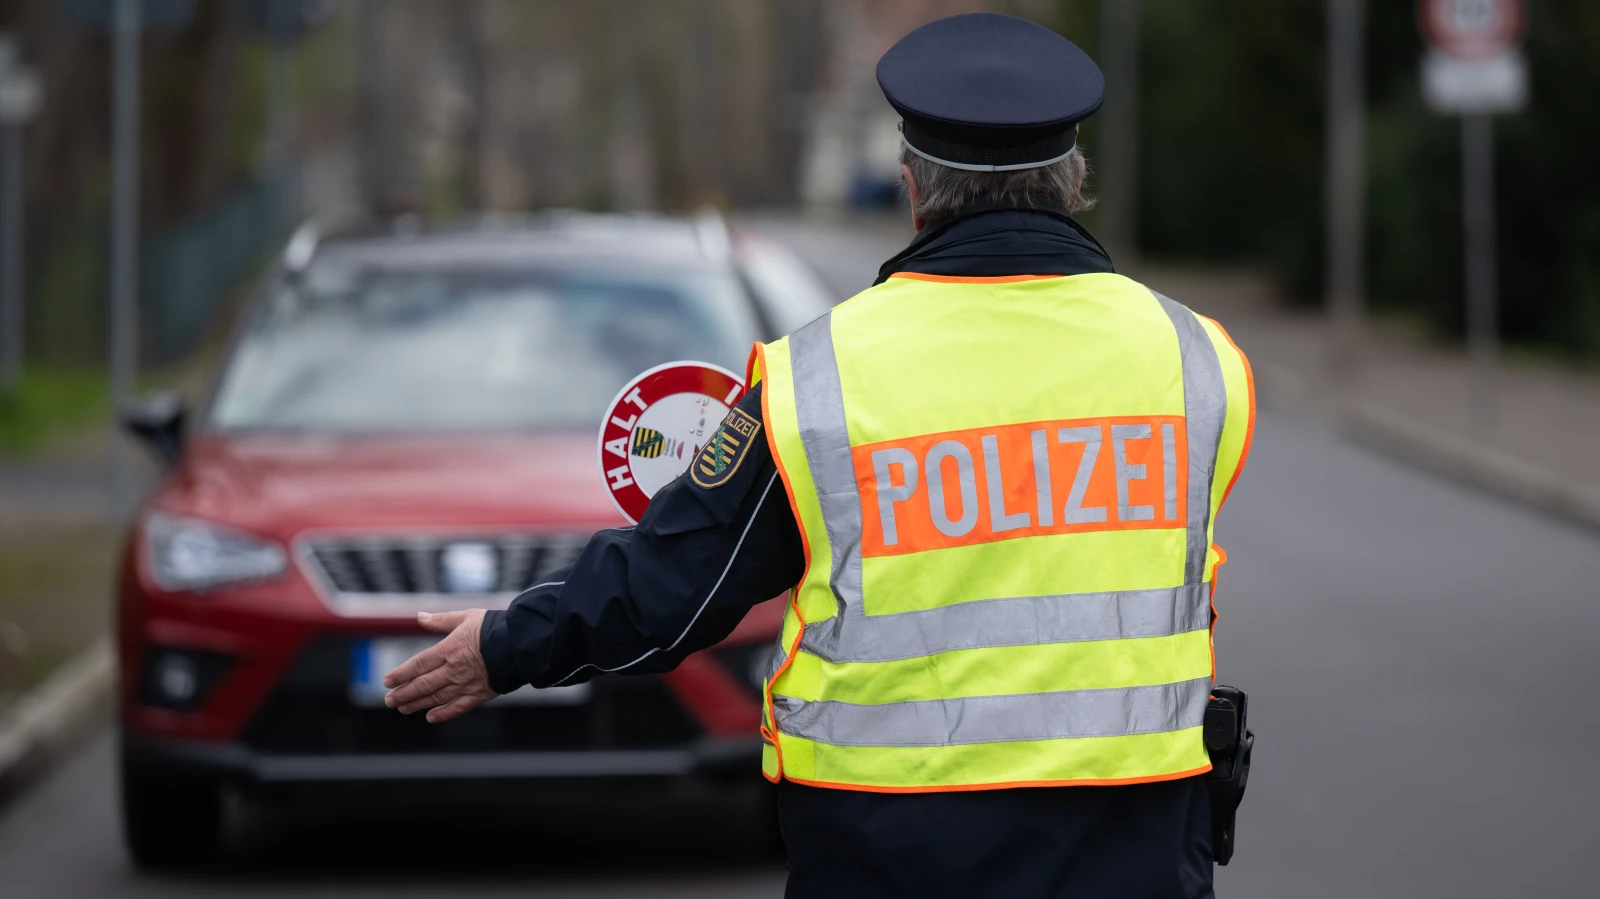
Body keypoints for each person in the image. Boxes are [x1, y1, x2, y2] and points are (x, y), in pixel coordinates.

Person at [381, 12, 1254, 898]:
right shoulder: (1198, 360)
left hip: (894, 851)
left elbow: (671, 590)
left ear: (914, 187)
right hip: (1135, 845)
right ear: (1075, 185)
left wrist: (507, 644)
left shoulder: (818, 378)